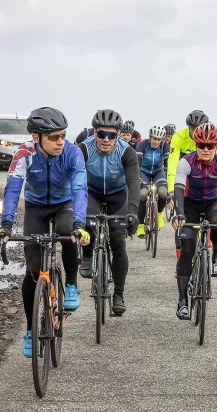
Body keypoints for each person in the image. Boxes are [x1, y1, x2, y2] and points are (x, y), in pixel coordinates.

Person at [0, 107, 90, 358]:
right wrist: (6, 225)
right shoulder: (24, 153)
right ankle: (30, 330)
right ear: (37, 137)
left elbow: (80, 188)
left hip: (64, 204)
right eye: (53, 137)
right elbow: (13, 188)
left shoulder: (72, 153)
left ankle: (71, 284)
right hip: (36, 208)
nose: (60, 141)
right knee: (32, 272)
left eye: (62, 135)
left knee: (66, 230)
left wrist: (79, 224)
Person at [77, 109, 140, 316]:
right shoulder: (84, 149)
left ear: (118, 135)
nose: (106, 139)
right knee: (88, 223)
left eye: (112, 135)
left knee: (118, 242)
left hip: (117, 195)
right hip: (92, 193)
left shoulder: (126, 152)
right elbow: (74, 181)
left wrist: (132, 212)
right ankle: (87, 254)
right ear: (94, 132)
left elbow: (133, 184)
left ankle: (119, 294)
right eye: (101, 134)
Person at [172, 123, 217, 319]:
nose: (205, 149)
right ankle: (182, 302)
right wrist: (179, 214)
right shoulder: (186, 162)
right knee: (187, 248)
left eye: (210, 146)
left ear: (216, 146)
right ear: (195, 145)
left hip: (214, 201)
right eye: (201, 145)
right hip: (190, 204)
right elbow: (178, 188)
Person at [166, 109, 209, 208]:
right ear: (188, 127)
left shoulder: (214, 138)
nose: (195, 133)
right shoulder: (178, 137)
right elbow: (173, 163)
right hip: (185, 172)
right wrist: (172, 190)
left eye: (199, 129)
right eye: (193, 129)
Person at [136, 125, 170, 237]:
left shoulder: (165, 146)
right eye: (154, 139)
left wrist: (168, 178)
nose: (156, 142)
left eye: (159, 140)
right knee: (143, 194)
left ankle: (159, 213)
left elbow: (167, 164)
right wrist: (138, 178)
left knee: (163, 192)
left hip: (158, 172)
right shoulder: (142, 145)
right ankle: (140, 225)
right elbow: (137, 163)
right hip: (144, 171)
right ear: (150, 137)